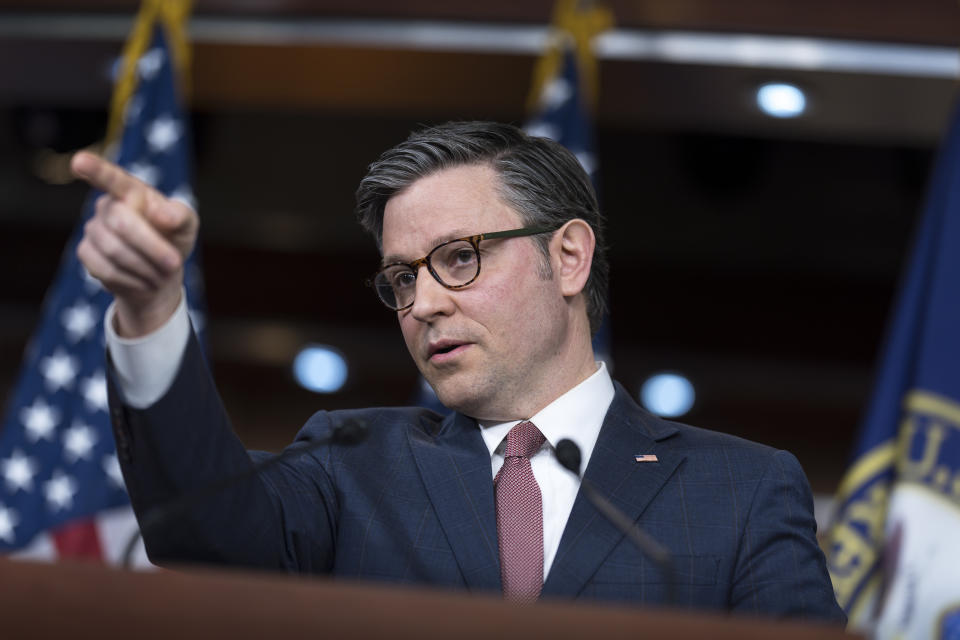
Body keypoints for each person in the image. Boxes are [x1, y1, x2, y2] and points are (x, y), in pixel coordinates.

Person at [72, 121, 844, 620]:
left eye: (458, 259)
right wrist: (151, 311)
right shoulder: (350, 464)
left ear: (567, 257)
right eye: (402, 278)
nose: (424, 303)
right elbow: (202, 535)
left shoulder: (741, 491)